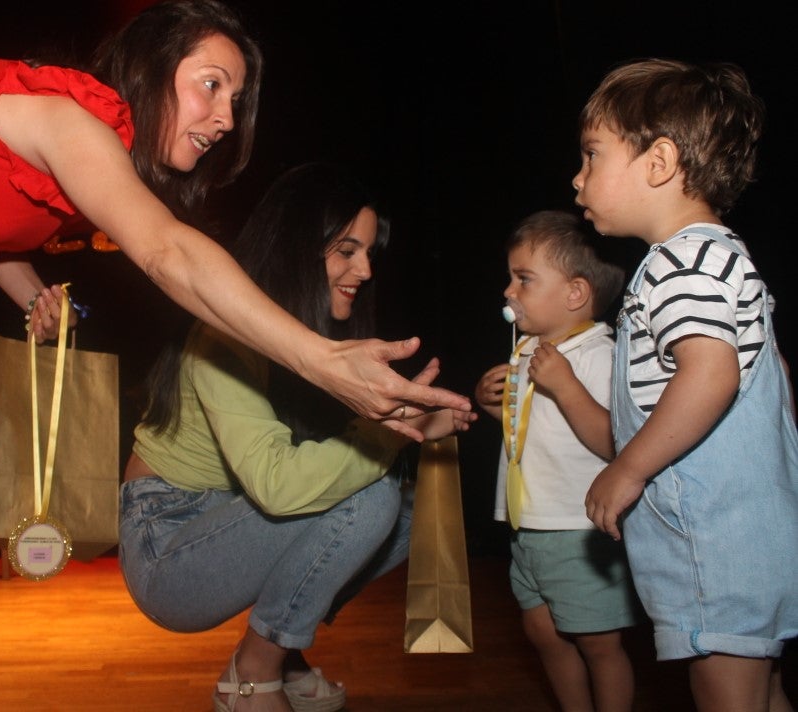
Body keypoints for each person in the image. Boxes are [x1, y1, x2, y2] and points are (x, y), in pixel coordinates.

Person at [0, 2, 471, 710]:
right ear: (153, 68)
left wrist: (25, 284)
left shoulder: (90, 149)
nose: (225, 117)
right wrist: (320, 359)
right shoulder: (71, 121)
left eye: (238, 98)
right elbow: (165, 251)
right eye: (210, 83)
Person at [119, 162, 476, 712]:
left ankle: (279, 650)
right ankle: (253, 672)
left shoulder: (302, 334)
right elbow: (279, 487)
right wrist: (389, 436)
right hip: (168, 544)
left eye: (367, 253)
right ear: (297, 247)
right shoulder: (225, 336)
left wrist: (399, 418)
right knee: (369, 498)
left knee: (405, 514)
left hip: (226, 515)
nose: (364, 269)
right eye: (347, 249)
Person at [575, 58, 798, 711]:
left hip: (713, 539)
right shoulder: (721, 255)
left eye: (591, 155)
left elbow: (713, 371)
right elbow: (772, 376)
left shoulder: (680, 262)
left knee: (726, 695)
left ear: (659, 161)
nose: (577, 177)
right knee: (761, 689)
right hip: (750, 535)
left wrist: (629, 468)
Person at [474, 210, 637, 711]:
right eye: (510, 277)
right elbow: (528, 431)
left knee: (599, 645)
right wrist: (488, 404)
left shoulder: (599, 353)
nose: (509, 291)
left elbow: (616, 442)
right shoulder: (526, 350)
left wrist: (565, 386)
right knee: (543, 634)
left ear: (575, 294)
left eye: (524, 279)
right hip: (529, 528)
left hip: (578, 530)